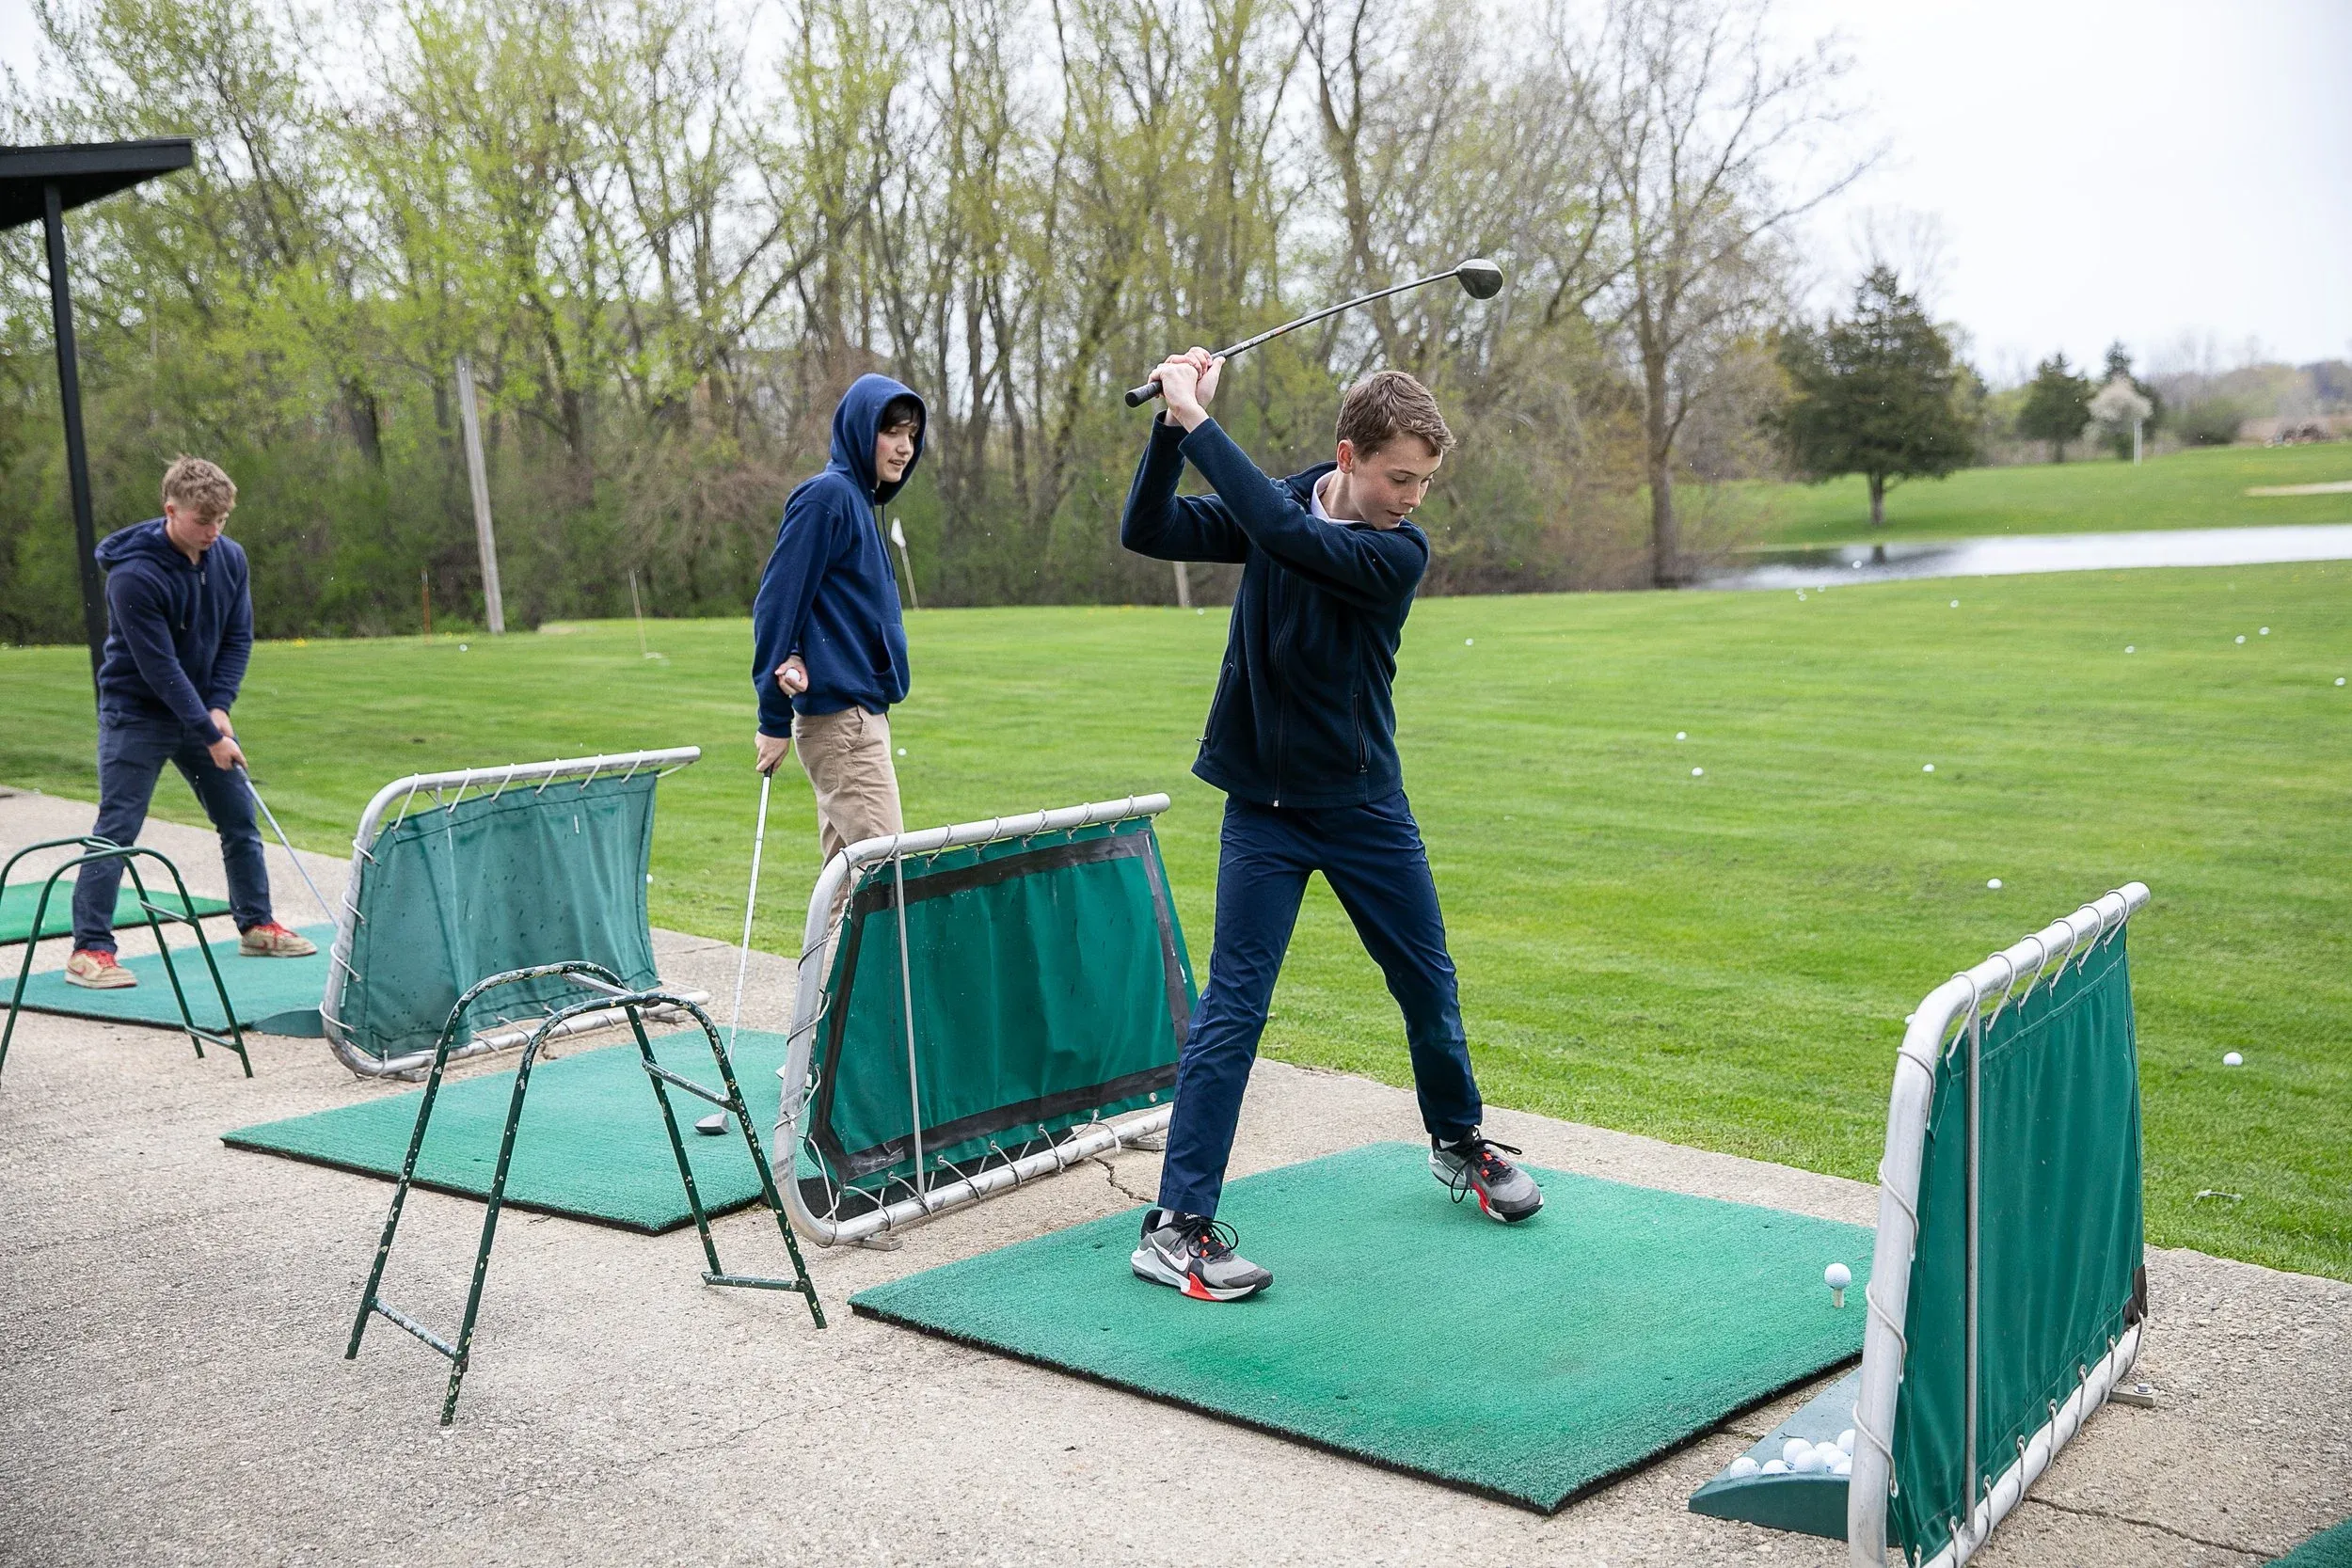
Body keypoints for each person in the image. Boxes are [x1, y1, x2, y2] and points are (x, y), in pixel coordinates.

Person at [1117, 352, 1542, 1302]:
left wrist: (1196, 417)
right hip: (1262, 813)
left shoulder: (1396, 553)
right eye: (1399, 477)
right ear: (1347, 456)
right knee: (1233, 1007)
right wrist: (1167, 427)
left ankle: (1456, 1139)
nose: (1411, 497)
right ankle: (1174, 1225)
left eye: (1425, 481)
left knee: (1426, 981)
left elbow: (1279, 531)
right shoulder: (1278, 500)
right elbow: (1147, 526)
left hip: (1362, 808)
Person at [64, 456, 316, 990]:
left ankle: (255, 924)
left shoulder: (230, 558)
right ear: (170, 510)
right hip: (136, 712)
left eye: (222, 520)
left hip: (204, 710)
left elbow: (237, 637)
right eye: (203, 522)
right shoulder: (134, 575)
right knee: (118, 828)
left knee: (239, 821)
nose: (213, 532)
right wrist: (209, 732)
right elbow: (160, 668)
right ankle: (90, 950)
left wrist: (220, 708)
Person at [751, 373, 927, 925]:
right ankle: (869, 1012)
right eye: (892, 432)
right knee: (883, 885)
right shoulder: (827, 498)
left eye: (913, 435)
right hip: (842, 724)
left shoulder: (859, 504)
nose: (904, 447)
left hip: (859, 719)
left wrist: (803, 649)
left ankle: (825, 1011)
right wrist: (772, 717)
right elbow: (778, 602)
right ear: (859, 431)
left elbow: (818, 605)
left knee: (850, 891)